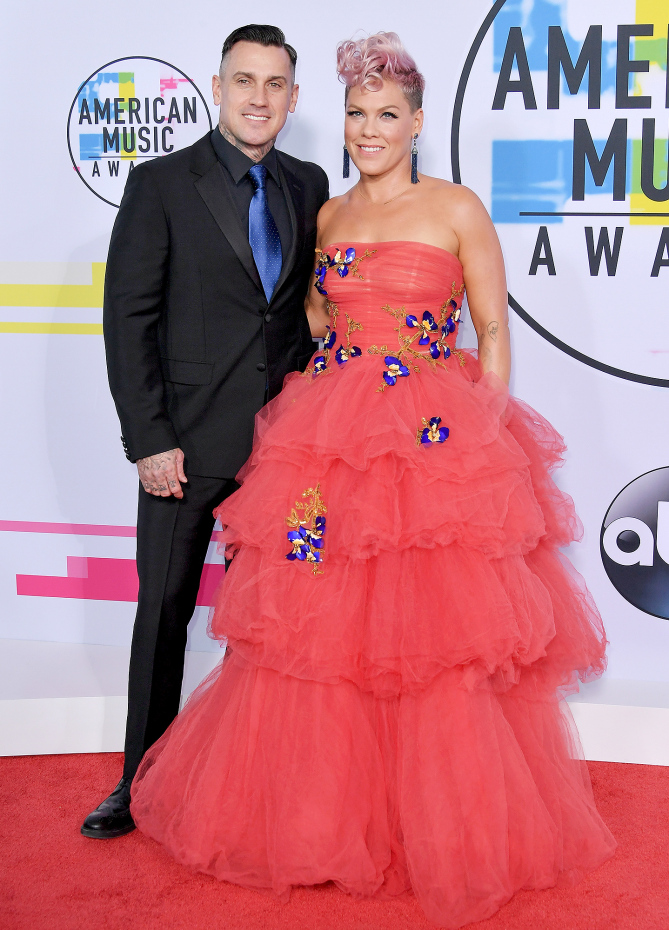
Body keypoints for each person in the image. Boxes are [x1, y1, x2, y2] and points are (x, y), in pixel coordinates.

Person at [129, 32, 616, 928]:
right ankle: (320, 817)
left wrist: (484, 430)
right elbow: (312, 310)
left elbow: (492, 330)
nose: (366, 129)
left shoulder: (458, 208)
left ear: (418, 122)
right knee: (320, 628)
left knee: (429, 637)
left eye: (385, 115)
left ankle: (431, 819)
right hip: (329, 443)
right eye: (355, 114)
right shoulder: (325, 212)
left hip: (433, 440)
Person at [81, 24, 329, 840]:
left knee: (287, 619)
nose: (259, 98)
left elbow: (296, 315)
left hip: (287, 448)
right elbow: (129, 320)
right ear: (216, 88)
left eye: (275, 84)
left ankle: (273, 784)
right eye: (244, 81)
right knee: (164, 612)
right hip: (185, 445)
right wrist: (149, 439)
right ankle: (137, 782)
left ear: (293, 98)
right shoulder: (161, 184)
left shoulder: (307, 181)